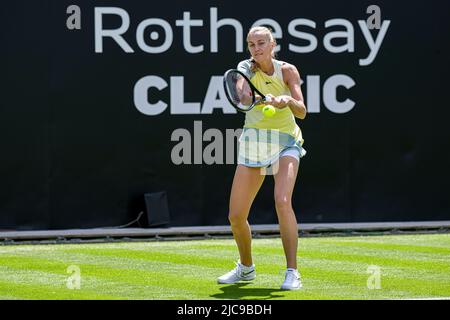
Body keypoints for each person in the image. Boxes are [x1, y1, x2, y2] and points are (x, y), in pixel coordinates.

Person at [217, 26, 307, 290]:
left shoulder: (288, 71)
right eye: (251, 44)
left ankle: (292, 271)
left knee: (282, 200)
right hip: (254, 144)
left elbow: (302, 111)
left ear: (272, 45)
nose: (256, 49)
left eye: (261, 43)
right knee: (236, 216)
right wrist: (260, 100)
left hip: (286, 142)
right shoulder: (244, 67)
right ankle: (246, 268)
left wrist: (286, 100)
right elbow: (243, 97)